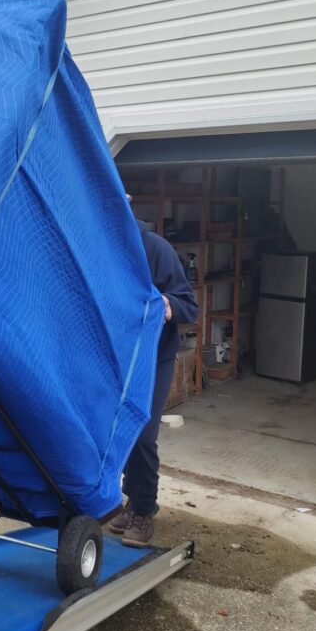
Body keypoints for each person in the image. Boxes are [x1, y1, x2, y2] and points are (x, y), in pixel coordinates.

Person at [110, 217, 199, 548]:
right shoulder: (100, 247)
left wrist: (166, 305)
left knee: (143, 436)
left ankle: (143, 511)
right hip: (115, 357)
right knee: (119, 434)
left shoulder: (156, 249)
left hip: (152, 358)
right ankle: (132, 499)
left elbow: (189, 305)